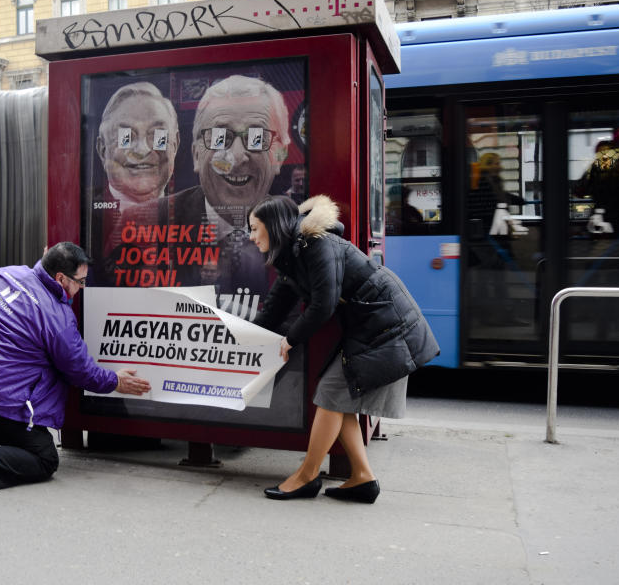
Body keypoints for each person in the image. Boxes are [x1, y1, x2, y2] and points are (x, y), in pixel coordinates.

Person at [248, 195, 438, 502]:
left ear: (273, 226)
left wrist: (290, 340)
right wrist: (242, 336)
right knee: (338, 395)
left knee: (331, 394)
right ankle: (362, 477)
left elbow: (323, 305)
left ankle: (307, 476)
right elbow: (273, 311)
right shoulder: (292, 257)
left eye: (255, 228)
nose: (252, 236)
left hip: (387, 324)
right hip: (373, 325)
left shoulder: (316, 244)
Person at [0, 242, 151, 497]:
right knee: (44, 456)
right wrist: (115, 381)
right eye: (81, 282)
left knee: (0, 370)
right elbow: (80, 370)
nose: (81, 288)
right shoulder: (57, 319)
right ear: (60, 278)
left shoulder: (9, 273)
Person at [115, 74, 290, 293]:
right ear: (197, 154)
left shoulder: (298, 232)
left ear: (280, 156)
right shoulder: (140, 222)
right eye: (220, 137)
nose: (237, 156)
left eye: (257, 137)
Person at [94, 82, 179, 209]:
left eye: (157, 136)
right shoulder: (83, 210)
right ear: (102, 150)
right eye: (125, 137)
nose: (142, 150)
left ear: (175, 145)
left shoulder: (190, 213)